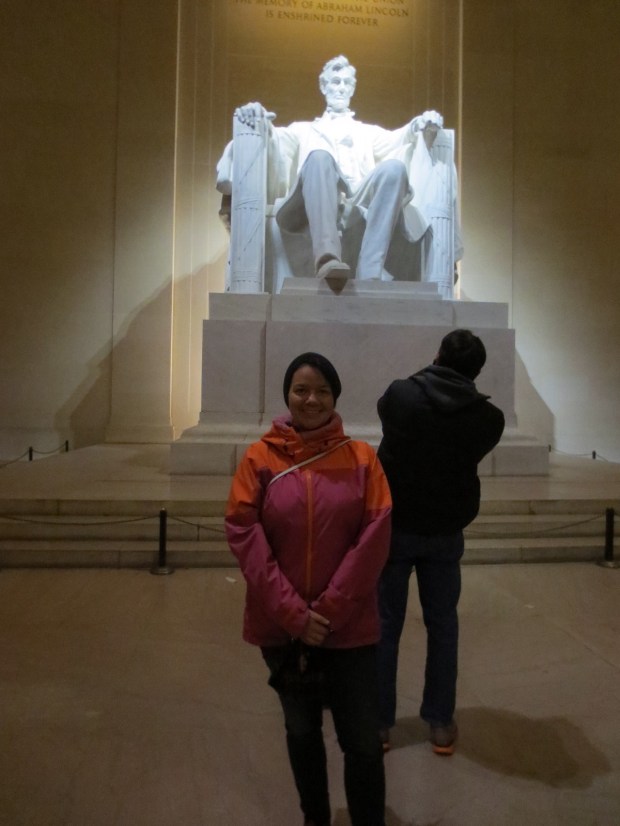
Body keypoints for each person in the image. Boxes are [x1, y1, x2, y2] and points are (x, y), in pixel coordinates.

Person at [225, 352, 392, 826]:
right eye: (301, 390)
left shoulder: (362, 459)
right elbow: (242, 530)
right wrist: (295, 615)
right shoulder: (259, 458)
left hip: (349, 629)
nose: (311, 399)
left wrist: (332, 610)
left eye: (321, 389)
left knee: (361, 740)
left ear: (335, 395)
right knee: (301, 733)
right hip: (284, 629)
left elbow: (376, 534)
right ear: (287, 396)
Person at [218, 55, 461, 286]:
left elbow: (401, 140)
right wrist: (257, 116)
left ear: (353, 89)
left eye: (347, 83)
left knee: (395, 169)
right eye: (335, 82)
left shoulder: (367, 132)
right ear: (323, 87)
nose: (341, 87)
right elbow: (275, 141)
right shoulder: (303, 130)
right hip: (313, 204)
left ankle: (370, 270)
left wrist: (419, 123)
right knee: (320, 157)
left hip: (357, 202)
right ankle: (327, 258)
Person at [375, 329, 505, 755]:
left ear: (437, 355)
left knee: (385, 627)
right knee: (444, 627)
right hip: (446, 531)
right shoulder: (489, 419)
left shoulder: (400, 395)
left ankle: (378, 724)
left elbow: (388, 419)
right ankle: (441, 723)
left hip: (396, 528)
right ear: (477, 372)